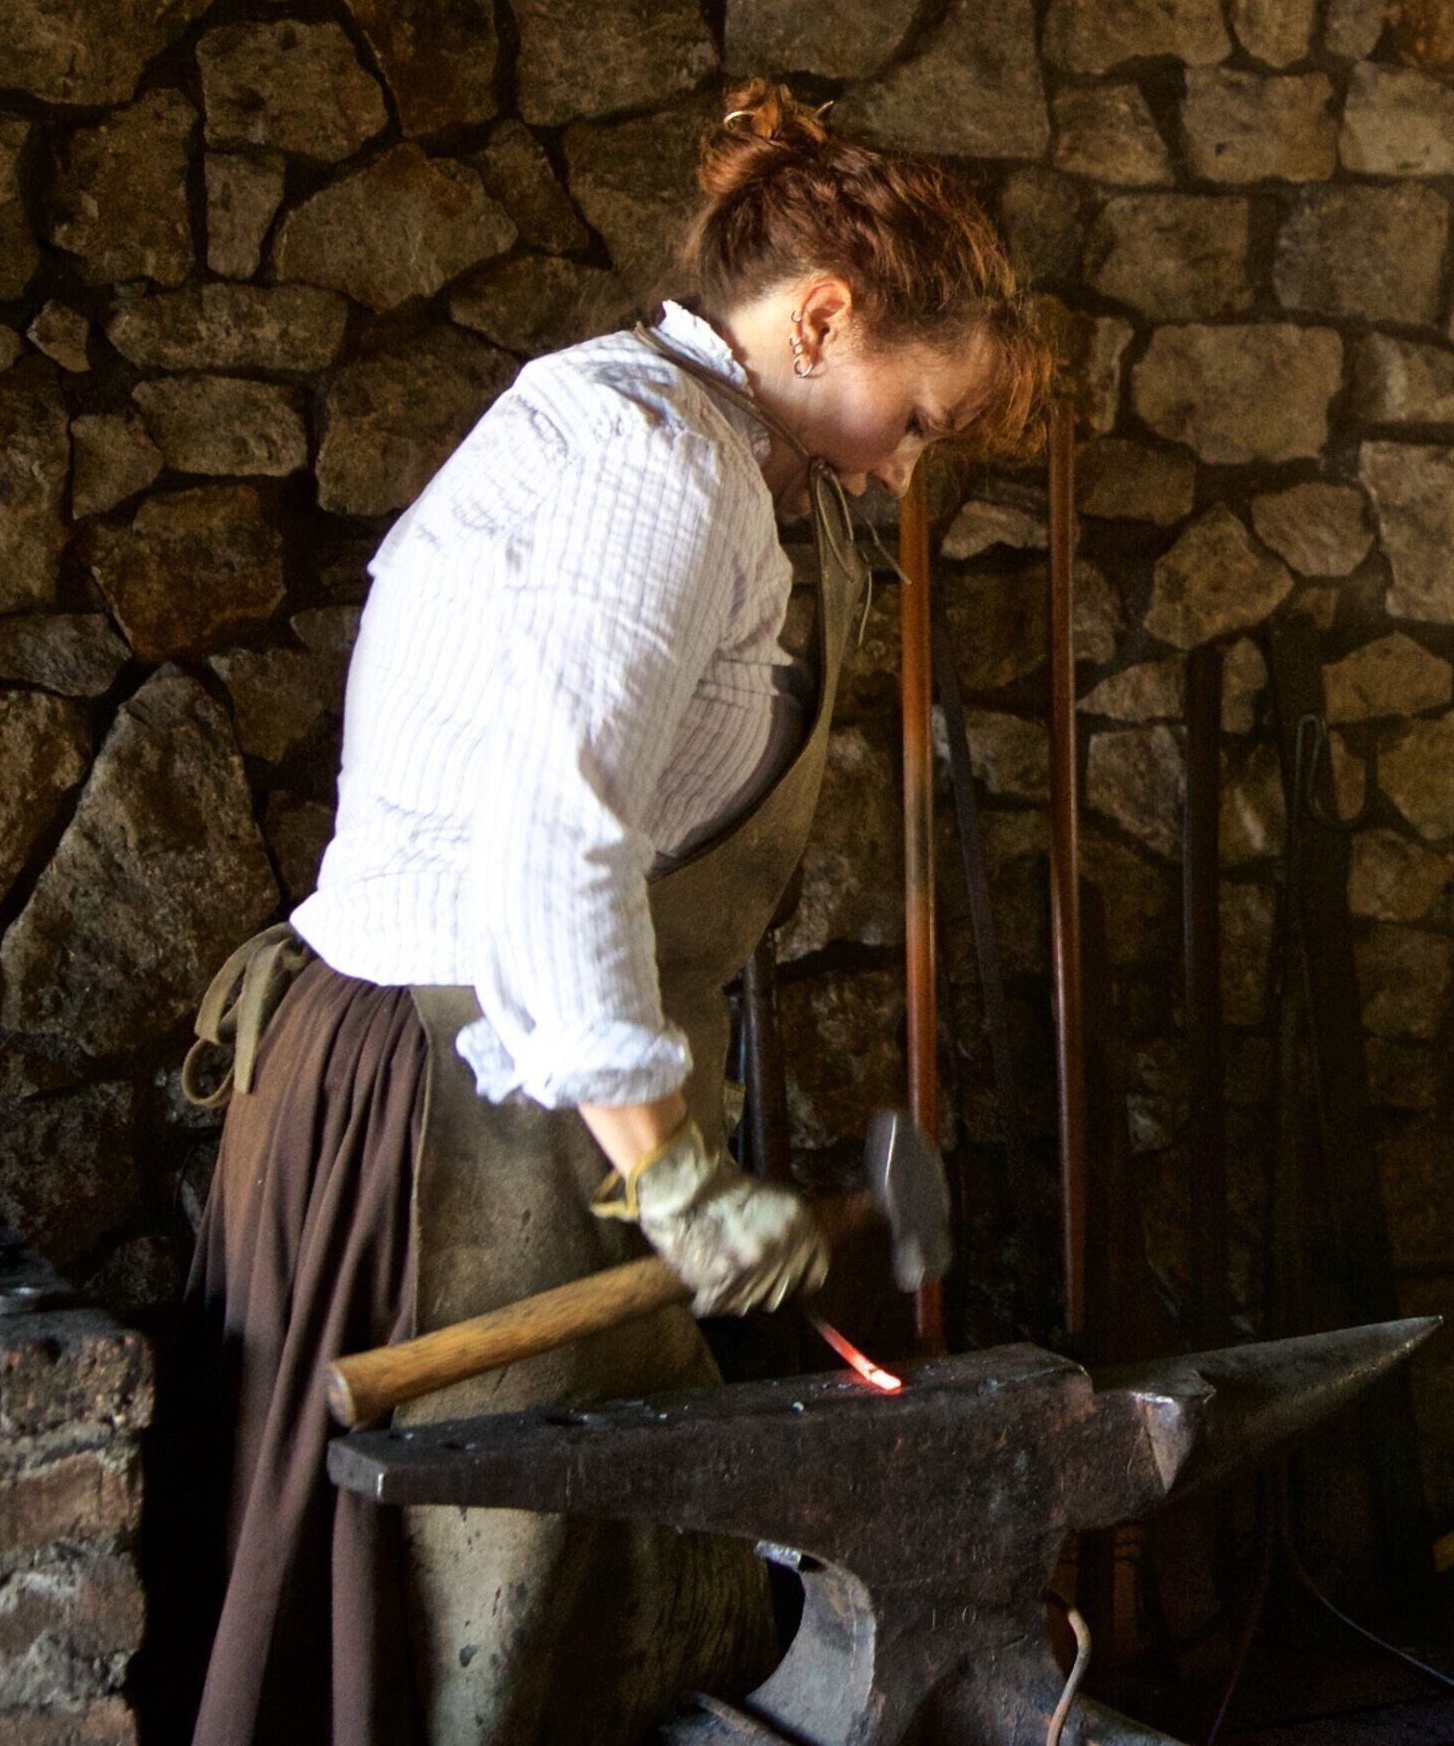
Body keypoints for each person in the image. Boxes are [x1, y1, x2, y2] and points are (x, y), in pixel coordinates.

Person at [178, 85, 1050, 1746]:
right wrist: (674, 1180)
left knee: (599, 1609)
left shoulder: (708, 449)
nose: (905, 470)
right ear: (821, 317)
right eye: (918, 416)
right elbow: (550, 850)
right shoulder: (651, 463)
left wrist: (663, 1160)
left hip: (508, 1097)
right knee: (471, 1645)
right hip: (446, 1114)